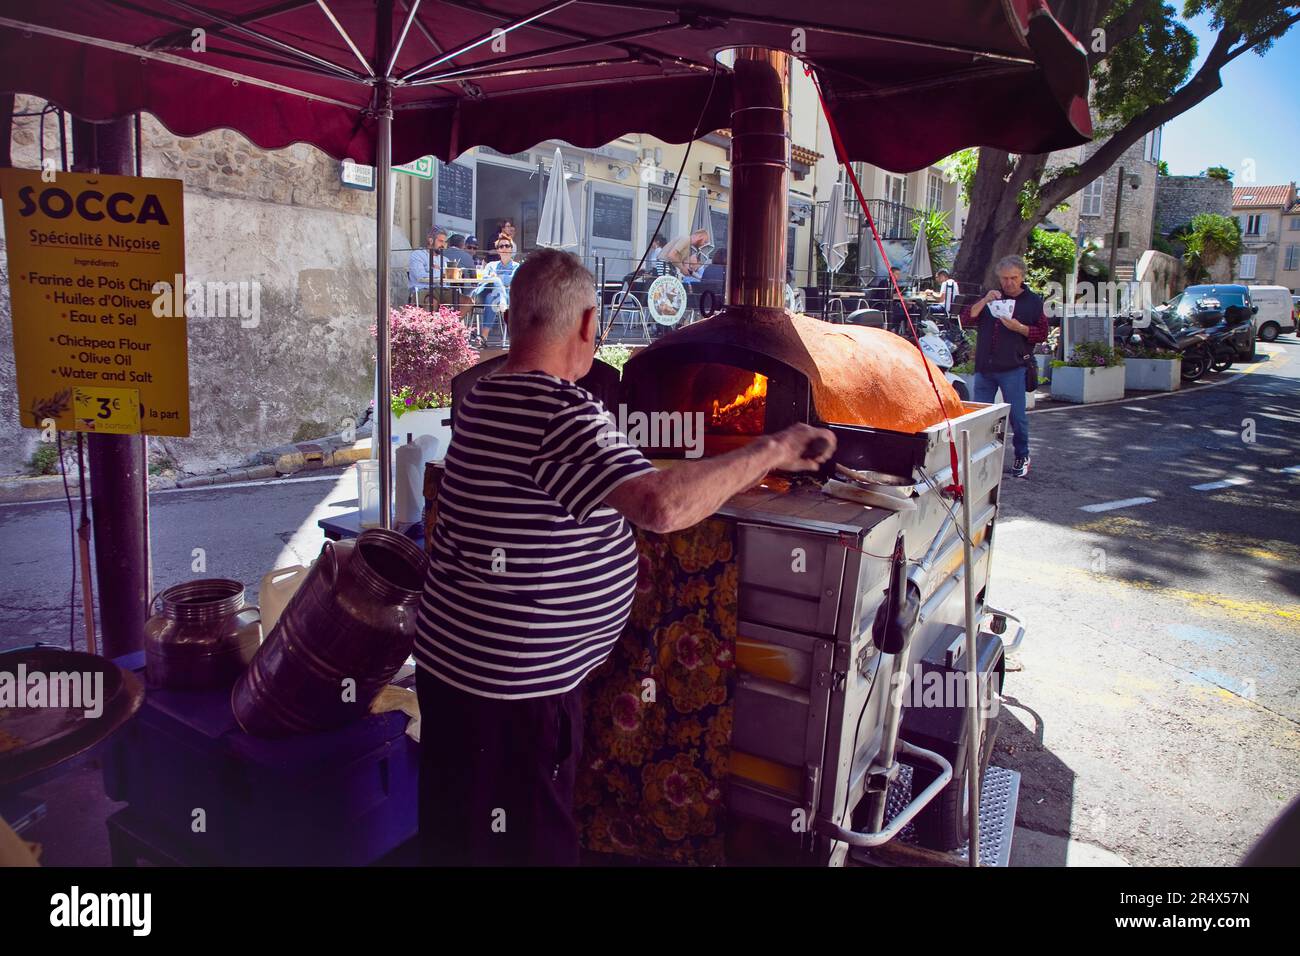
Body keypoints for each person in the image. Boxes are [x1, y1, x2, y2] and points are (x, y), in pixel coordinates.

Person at [415, 249, 835, 866]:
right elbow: (661, 506)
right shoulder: (561, 412)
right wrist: (772, 448)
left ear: (512, 318)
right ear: (588, 324)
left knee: (459, 832)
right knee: (529, 847)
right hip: (516, 694)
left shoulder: (484, 394)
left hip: (449, 668)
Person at [959, 254, 1047, 478]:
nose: (1009, 283)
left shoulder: (1033, 302)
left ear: (1022, 277)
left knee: (1017, 416)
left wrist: (1020, 328)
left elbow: (1042, 333)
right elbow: (966, 319)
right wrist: (986, 299)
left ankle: (1022, 454)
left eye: (1013, 278)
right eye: (1005, 278)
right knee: (979, 416)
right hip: (985, 367)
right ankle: (979, 457)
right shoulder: (992, 296)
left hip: (1013, 367)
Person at [470, 234, 518, 347]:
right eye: (501, 246)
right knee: (494, 286)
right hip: (487, 293)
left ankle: (484, 336)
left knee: (492, 298)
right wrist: (497, 279)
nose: (504, 248)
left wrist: (496, 278)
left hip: (507, 297)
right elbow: (484, 280)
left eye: (507, 246)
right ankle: (501, 300)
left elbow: (513, 280)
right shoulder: (491, 265)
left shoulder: (517, 266)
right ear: (498, 250)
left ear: (511, 249)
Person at [408, 228, 448, 305]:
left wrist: (438, 272)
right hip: (423, 290)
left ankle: (452, 317)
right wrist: (441, 274)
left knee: (467, 301)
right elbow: (420, 276)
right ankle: (432, 317)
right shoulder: (418, 255)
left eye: (445, 242)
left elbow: (449, 276)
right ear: (430, 241)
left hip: (442, 291)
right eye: (440, 241)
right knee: (432, 302)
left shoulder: (445, 259)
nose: (443, 245)